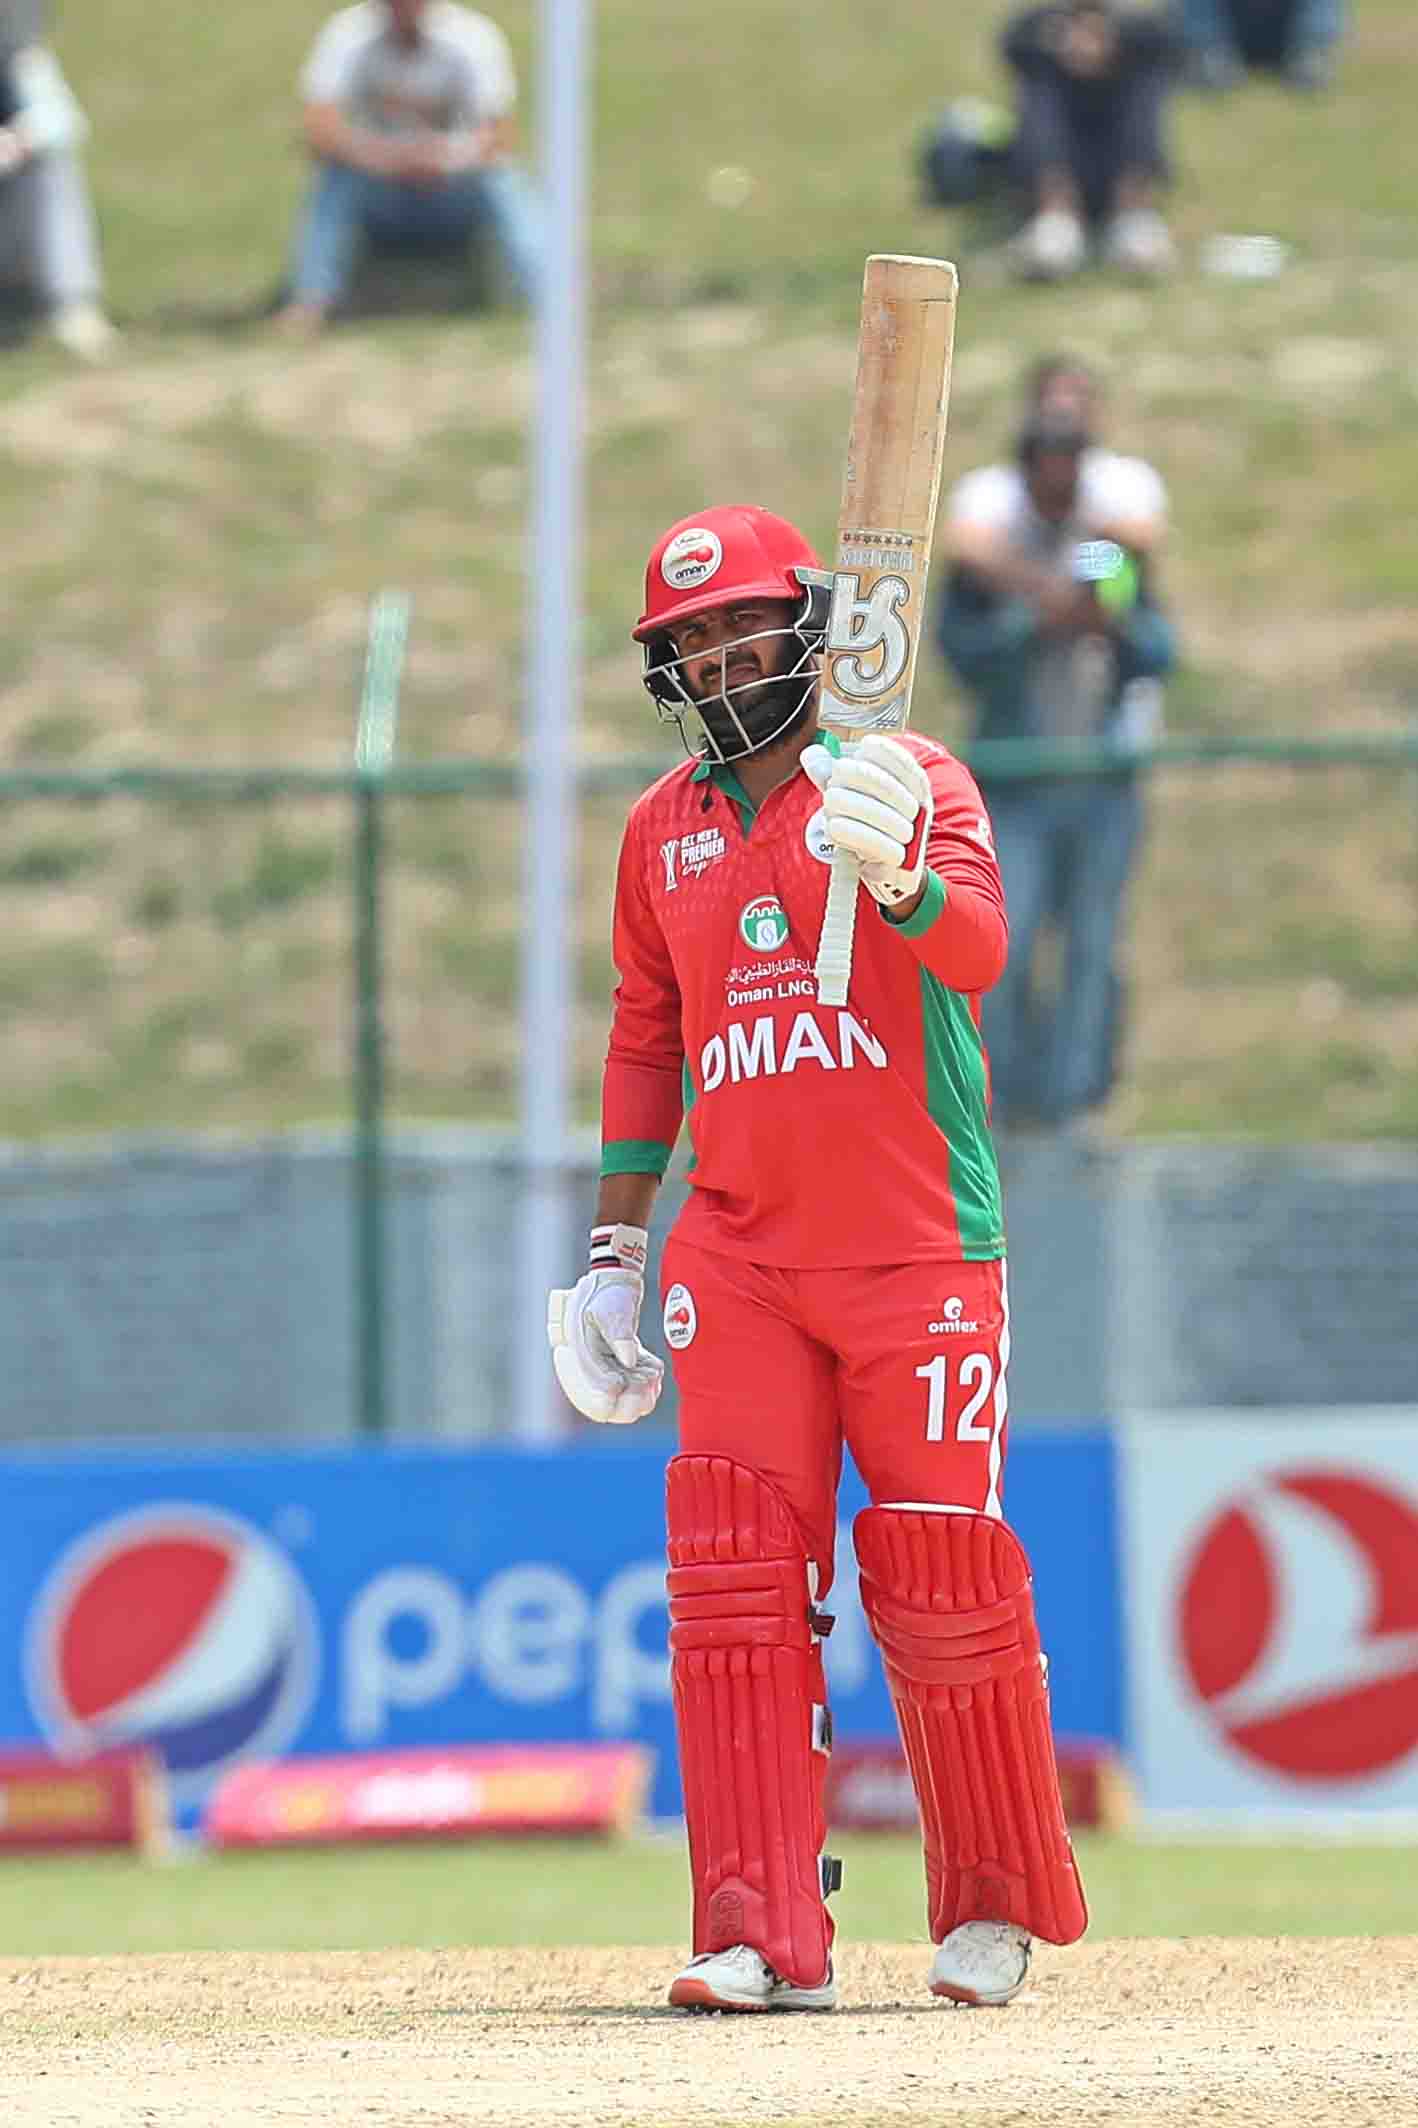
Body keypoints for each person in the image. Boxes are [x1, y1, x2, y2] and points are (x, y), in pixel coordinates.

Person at [547, 504, 1088, 2014]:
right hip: (737, 1258)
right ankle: (758, 1931)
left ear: (810, 628)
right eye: (688, 644)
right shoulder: (662, 831)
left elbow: (977, 954)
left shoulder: (909, 777)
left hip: (917, 1254)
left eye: (740, 629)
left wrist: (904, 875)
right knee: (731, 1579)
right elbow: (648, 1038)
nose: (718, 662)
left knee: (937, 1575)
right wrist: (611, 1252)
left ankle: (990, 1909)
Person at [937, 407, 1177, 1130]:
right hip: (1016, 781)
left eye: (1074, 452)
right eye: (1050, 453)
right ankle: (1003, 1094)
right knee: (1001, 943)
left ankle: (1078, 1101)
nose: (1063, 468)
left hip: (1100, 779)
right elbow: (964, 651)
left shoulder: (1102, 551)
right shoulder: (998, 553)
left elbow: (1153, 641)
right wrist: (1031, 620)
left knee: (1092, 943)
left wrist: (1112, 621)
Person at [275, 0, 540, 338]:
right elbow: (318, 132)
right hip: (378, 190)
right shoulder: (347, 33)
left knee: (504, 180)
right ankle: (310, 302)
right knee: (335, 179)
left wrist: (439, 160)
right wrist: (390, 159)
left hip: (453, 188)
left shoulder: (474, 36)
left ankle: (547, 295)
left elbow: (498, 138)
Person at [1000, 0, 1181, 279]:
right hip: (1062, 164)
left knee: (1146, 81)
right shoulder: (1043, 25)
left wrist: (1112, 37)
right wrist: (1059, 38)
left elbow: (1172, 43)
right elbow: (1010, 44)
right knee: (1038, 85)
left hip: (1120, 163)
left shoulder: (1138, 30)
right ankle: (1056, 219)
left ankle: (1134, 216)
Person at [0, 2, 117, 360]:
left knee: (54, 166)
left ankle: (73, 306)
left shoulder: (19, 55)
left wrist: (18, 141)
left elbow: (62, 120)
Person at [1173, 0, 1345, 91]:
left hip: (1288, 35)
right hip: (1224, 36)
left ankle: (1310, 54)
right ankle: (1210, 56)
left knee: (1308, 52)